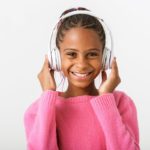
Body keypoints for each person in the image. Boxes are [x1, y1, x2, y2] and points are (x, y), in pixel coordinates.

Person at [24, 7, 140, 150]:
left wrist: (105, 99)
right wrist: (47, 96)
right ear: (56, 58)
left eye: (92, 54)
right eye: (72, 54)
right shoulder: (38, 111)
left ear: (105, 58)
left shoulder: (120, 104)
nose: (82, 64)